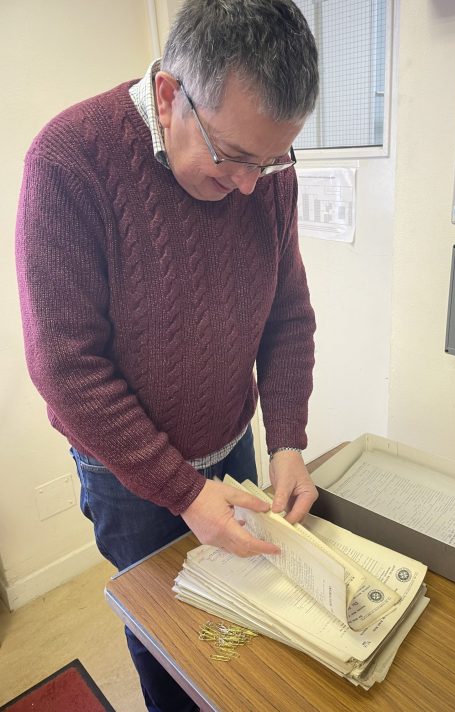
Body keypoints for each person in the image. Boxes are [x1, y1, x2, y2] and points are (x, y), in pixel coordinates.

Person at [16, 1, 319, 710]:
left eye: (271, 160)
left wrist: (290, 442)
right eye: (233, 157)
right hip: (128, 474)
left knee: (248, 633)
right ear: (168, 94)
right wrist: (182, 492)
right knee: (174, 654)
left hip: (231, 443)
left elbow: (288, 316)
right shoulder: (68, 161)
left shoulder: (269, 175)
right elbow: (65, 368)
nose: (251, 184)